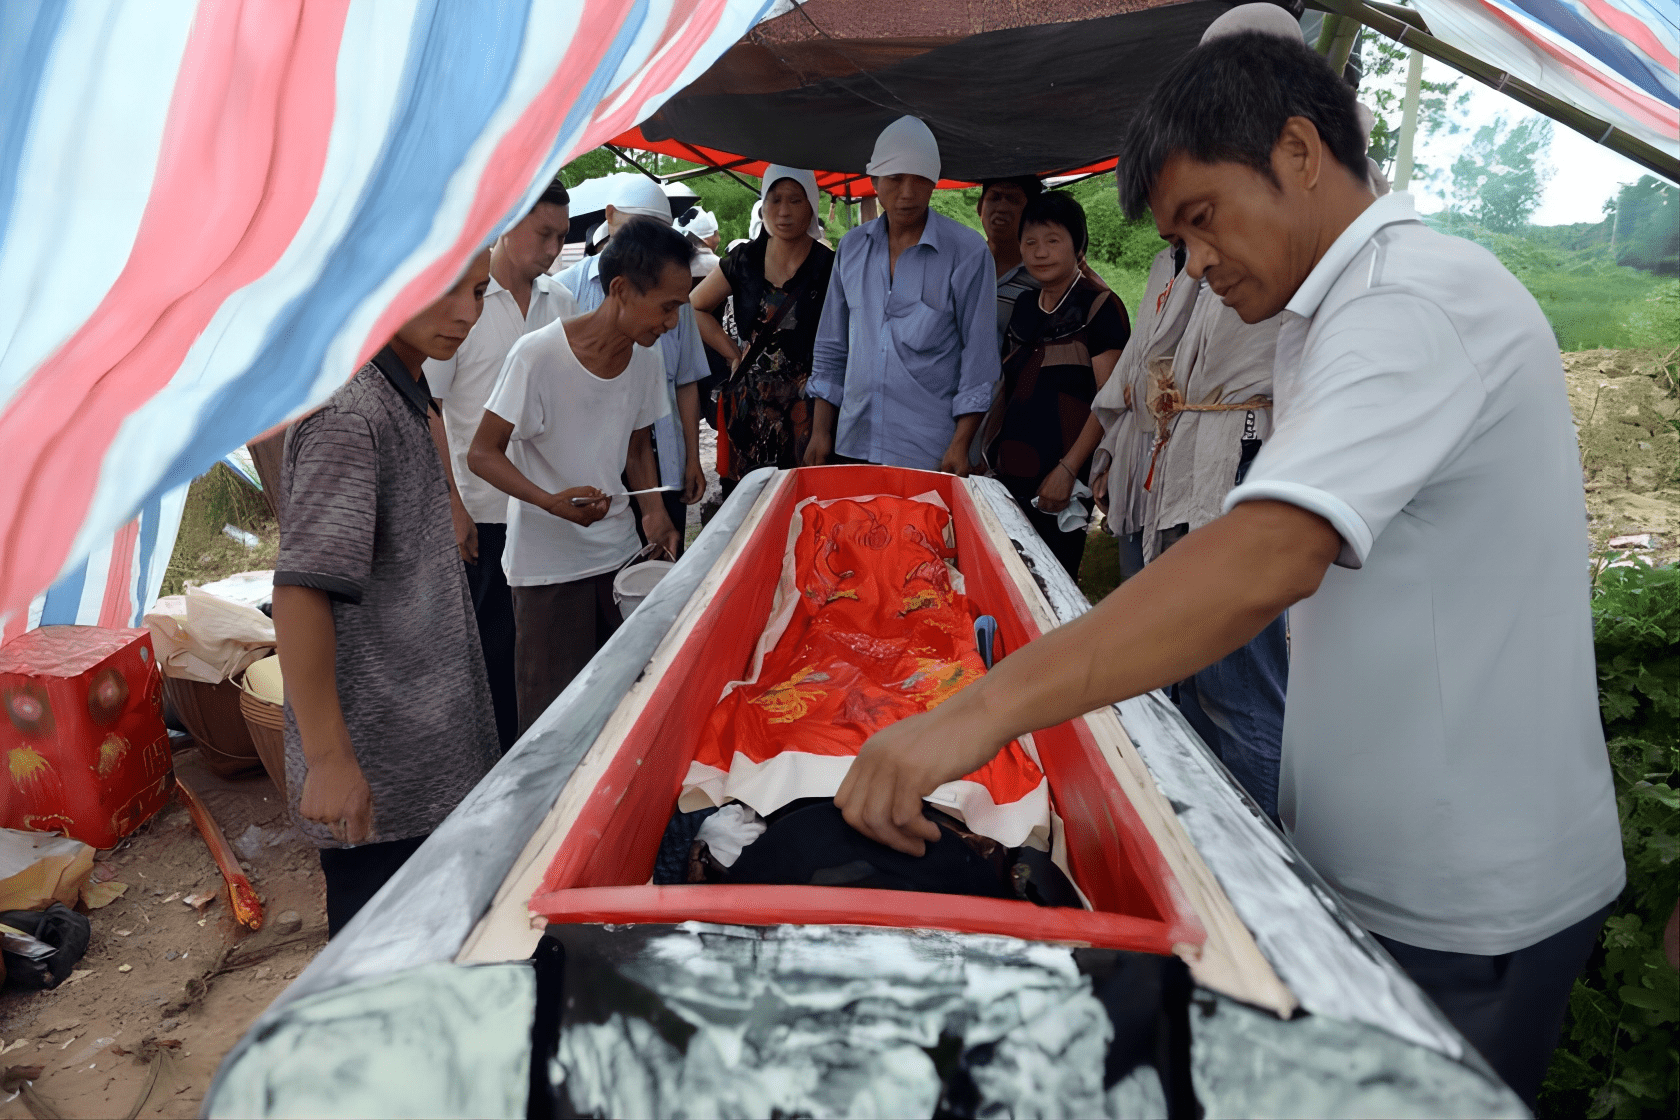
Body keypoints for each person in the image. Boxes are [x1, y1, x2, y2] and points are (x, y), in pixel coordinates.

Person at [835, 31, 1625, 1109]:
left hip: (1464, 898)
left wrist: (972, 715)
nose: (1195, 264)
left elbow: (1266, 554)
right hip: (1386, 868)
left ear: (1299, 151)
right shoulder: (1333, 311)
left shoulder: (1410, 303)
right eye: (1178, 239)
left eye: (1202, 220)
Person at [271, 251, 501, 938]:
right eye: (443, 287)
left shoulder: (399, 390)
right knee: (381, 971)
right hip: (381, 780)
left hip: (425, 756)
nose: (466, 312)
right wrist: (331, 758)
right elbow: (301, 590)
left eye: (479, 290)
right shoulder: (350, 414)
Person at [470, 218, 691, 735]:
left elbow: (637, 445)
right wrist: (548, 501)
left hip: (616, 560)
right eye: (667, 306)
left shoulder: (644, 360)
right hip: (547, 571)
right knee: (553, 726)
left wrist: (654, 514)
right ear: (619, 289)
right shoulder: (538, 357)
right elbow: (482, 454)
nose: (673, 323)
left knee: (622, 706)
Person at [423, 179, 574, 752]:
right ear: (508, 223)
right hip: (485, 510)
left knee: (543, 647)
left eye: (562, 236)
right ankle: (493, 762)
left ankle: (537, 754)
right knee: (492, 647)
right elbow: (432, 407)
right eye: (543, 233)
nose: (553, 248)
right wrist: (453, 504)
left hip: (548, 504)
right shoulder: (465, 305)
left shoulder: (561, 303)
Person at [806, 116, 1001, 474]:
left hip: (930, 451)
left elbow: (980, 361)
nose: (908, 193)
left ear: (934, 184)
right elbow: (832, 346)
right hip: (854, 441)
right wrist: (821, 431)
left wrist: (961, 444)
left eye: (921, 180)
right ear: (875, 181)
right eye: (895, 179)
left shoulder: (967, 252)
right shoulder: (850, 248)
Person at [981, 191, 1129, 579]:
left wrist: (1068, 469)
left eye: (1052, 241)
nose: (1040, 252)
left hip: (1061, 480)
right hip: (1010, 469)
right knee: (1007, 578)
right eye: (1030, 242)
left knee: (1052, 583)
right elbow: (1010, 387)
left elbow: (1108, 401)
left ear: (1078, 245)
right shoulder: (1027, 305)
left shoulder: (1100, 307)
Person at [555, 176, 706, 554]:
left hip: (658, 455)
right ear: (609, 217)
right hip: (596, 462)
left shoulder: (674, 300)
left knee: (661, 564)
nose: (648, 250)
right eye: (636, 232)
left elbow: (686, 380)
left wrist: (692, 457)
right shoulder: (565, 290)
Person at [691, 166, 835, 497]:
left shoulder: (828, 267)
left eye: (795, 200)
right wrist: (732, 354)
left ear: (811, 204)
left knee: (800, 503)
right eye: (774, 200)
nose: (783, 211)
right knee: (746, 509)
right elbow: (693, 307)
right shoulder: (744, 260)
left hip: (806, 413)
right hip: (748, 409)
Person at [976, 176, 1043, 342]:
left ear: (1031, 212)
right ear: (979, 207)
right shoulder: (959, 265)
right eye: (994, 197)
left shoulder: (1044, 277)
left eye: (1013, 200)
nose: (1002, 207)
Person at [676, 207, 722, 281]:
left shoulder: (674, 265)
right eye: (716, 234)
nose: (719, 239)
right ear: (707, 238)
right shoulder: (720, 266)